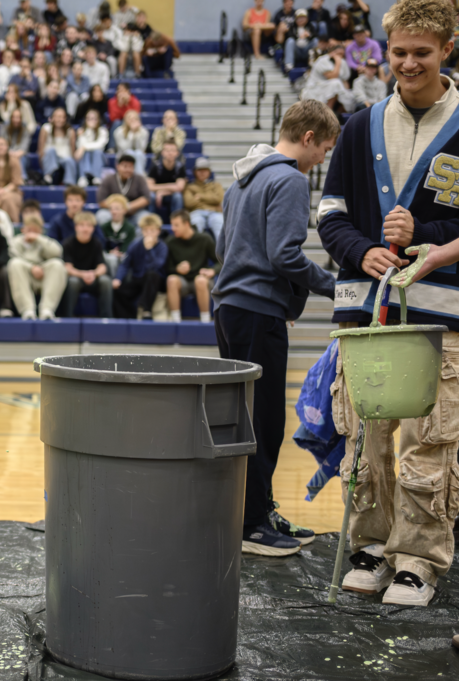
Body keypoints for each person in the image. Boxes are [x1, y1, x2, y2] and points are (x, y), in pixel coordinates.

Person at [317, 0, 459, 605]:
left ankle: (419, 560)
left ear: (447, 49)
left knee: (431, 439)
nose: (407, 63)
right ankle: (370, 546)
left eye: (421, 53)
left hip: (442, 316)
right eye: (397, 52)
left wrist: (424, 239)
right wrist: (360, 252)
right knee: (366, 438)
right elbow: (330, 214)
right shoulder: (358, 125)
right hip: (366, 314)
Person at [216, 104, 339, 559]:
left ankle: (257, 512)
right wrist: (335, 286)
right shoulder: (288, 179)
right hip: (256, 311)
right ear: (308, 137)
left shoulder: (242, 179)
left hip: (230, 309)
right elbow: (285, 256)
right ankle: (252, 525)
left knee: (246, 419)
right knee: (264, 422)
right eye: (324, 149)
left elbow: (221, 248)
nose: (322, 160)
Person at [165, 211, 220, 323]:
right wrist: (177, 269)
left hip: (202, 280)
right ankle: (176, 322)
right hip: (183, 282)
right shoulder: (170, 242)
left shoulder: (204, 239)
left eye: (176, 225)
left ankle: (205, 321)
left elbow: (220, 262)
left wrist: (212, 271)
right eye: (172, 225)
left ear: (187, 224)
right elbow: (167, 268)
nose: (172, 228)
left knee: (199, 280)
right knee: (171, 280)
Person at [7, 215, 66, 320]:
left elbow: (57, 251)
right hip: (24, 276)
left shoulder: (45, 241)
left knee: (58, 264)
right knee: (14, 264)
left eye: (35, 231)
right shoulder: (15, 242)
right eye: (29, 230)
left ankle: (47, 310)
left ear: (41, 231)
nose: (31, 234)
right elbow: (11, 256)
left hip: (44, 276)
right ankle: (27, 310)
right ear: (22, 229)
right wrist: (31, 268)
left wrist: (38, 238)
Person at [113, 212, 168, 319]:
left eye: (152, 230)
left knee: (152, 275)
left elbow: (157, 265)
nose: (149, 233)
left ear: (158, 231)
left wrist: (150, 249)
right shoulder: (135, 245)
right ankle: (128, 317)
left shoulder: (162, 246)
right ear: (142, 231)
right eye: (146, 230)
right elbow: (125, 264)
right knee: (117, 291)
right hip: (138, 279)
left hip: (156, 281)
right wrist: (118, 279)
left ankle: (146, 310)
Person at [61, 212, 112, 318]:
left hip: (92, 279)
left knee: (106, 281)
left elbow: (102, 267)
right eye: (82, 225)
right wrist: (83, 274)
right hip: (76, 278)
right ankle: (67, 317)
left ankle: (107, 318)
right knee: (72, 282)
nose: (85, 229)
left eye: (89, 226)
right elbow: (68, 268)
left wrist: (93, 274)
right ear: (76, 227)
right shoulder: (68, 243)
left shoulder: (96, 243)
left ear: (93, 228)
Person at [184, 158, 225, 242]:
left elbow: (218, 199)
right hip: (197, 212)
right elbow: (188, 203)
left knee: (219, 223)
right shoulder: (189, 187)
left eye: (205, 170)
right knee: (196, 223)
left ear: (209, 172)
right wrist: (211, 202)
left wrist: (199, 196)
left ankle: (222, 254)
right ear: (195, 172)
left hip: (215, 212)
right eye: (199, 170)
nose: (202, 173)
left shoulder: (216, 185)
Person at [147, 142, 187, 223]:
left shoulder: (180, 167)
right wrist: (172, 186)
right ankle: (151, 223)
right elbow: (149, 187)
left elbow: (180, 187)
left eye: (172, 150)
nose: (170, 153)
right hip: (157, 195)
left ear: (177, 153)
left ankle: (177, 223)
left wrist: (162, 192)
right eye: (167, 150)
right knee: (151, 196)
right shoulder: (156, 166)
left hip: (171, 195)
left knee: (178, 196)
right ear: (162, 152)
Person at [39, 107, 76, 186]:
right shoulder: (46, 128)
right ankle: (48, 176)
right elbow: (41, 149)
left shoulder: (70, 131)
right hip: (49, 158)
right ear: (52, 118)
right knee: (51, 150)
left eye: (63, 117)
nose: (60, 119)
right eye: (58, 117)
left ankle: (69, 183)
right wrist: (42, 164)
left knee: (70, 160)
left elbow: (72, 151)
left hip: (64, 159)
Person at [75, 109, 108, 187]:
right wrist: (87, 131)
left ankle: (96, 177)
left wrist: (84, 147)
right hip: (85, 157)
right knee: (84, 152)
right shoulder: (81, 131)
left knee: (96, 151)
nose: (91, 121)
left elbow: (100, 145)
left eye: (94, 118)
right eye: (89, 118)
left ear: (98, 120)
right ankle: (83, 177)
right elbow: (80, 146)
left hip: (99, 158)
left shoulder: (103, 130)